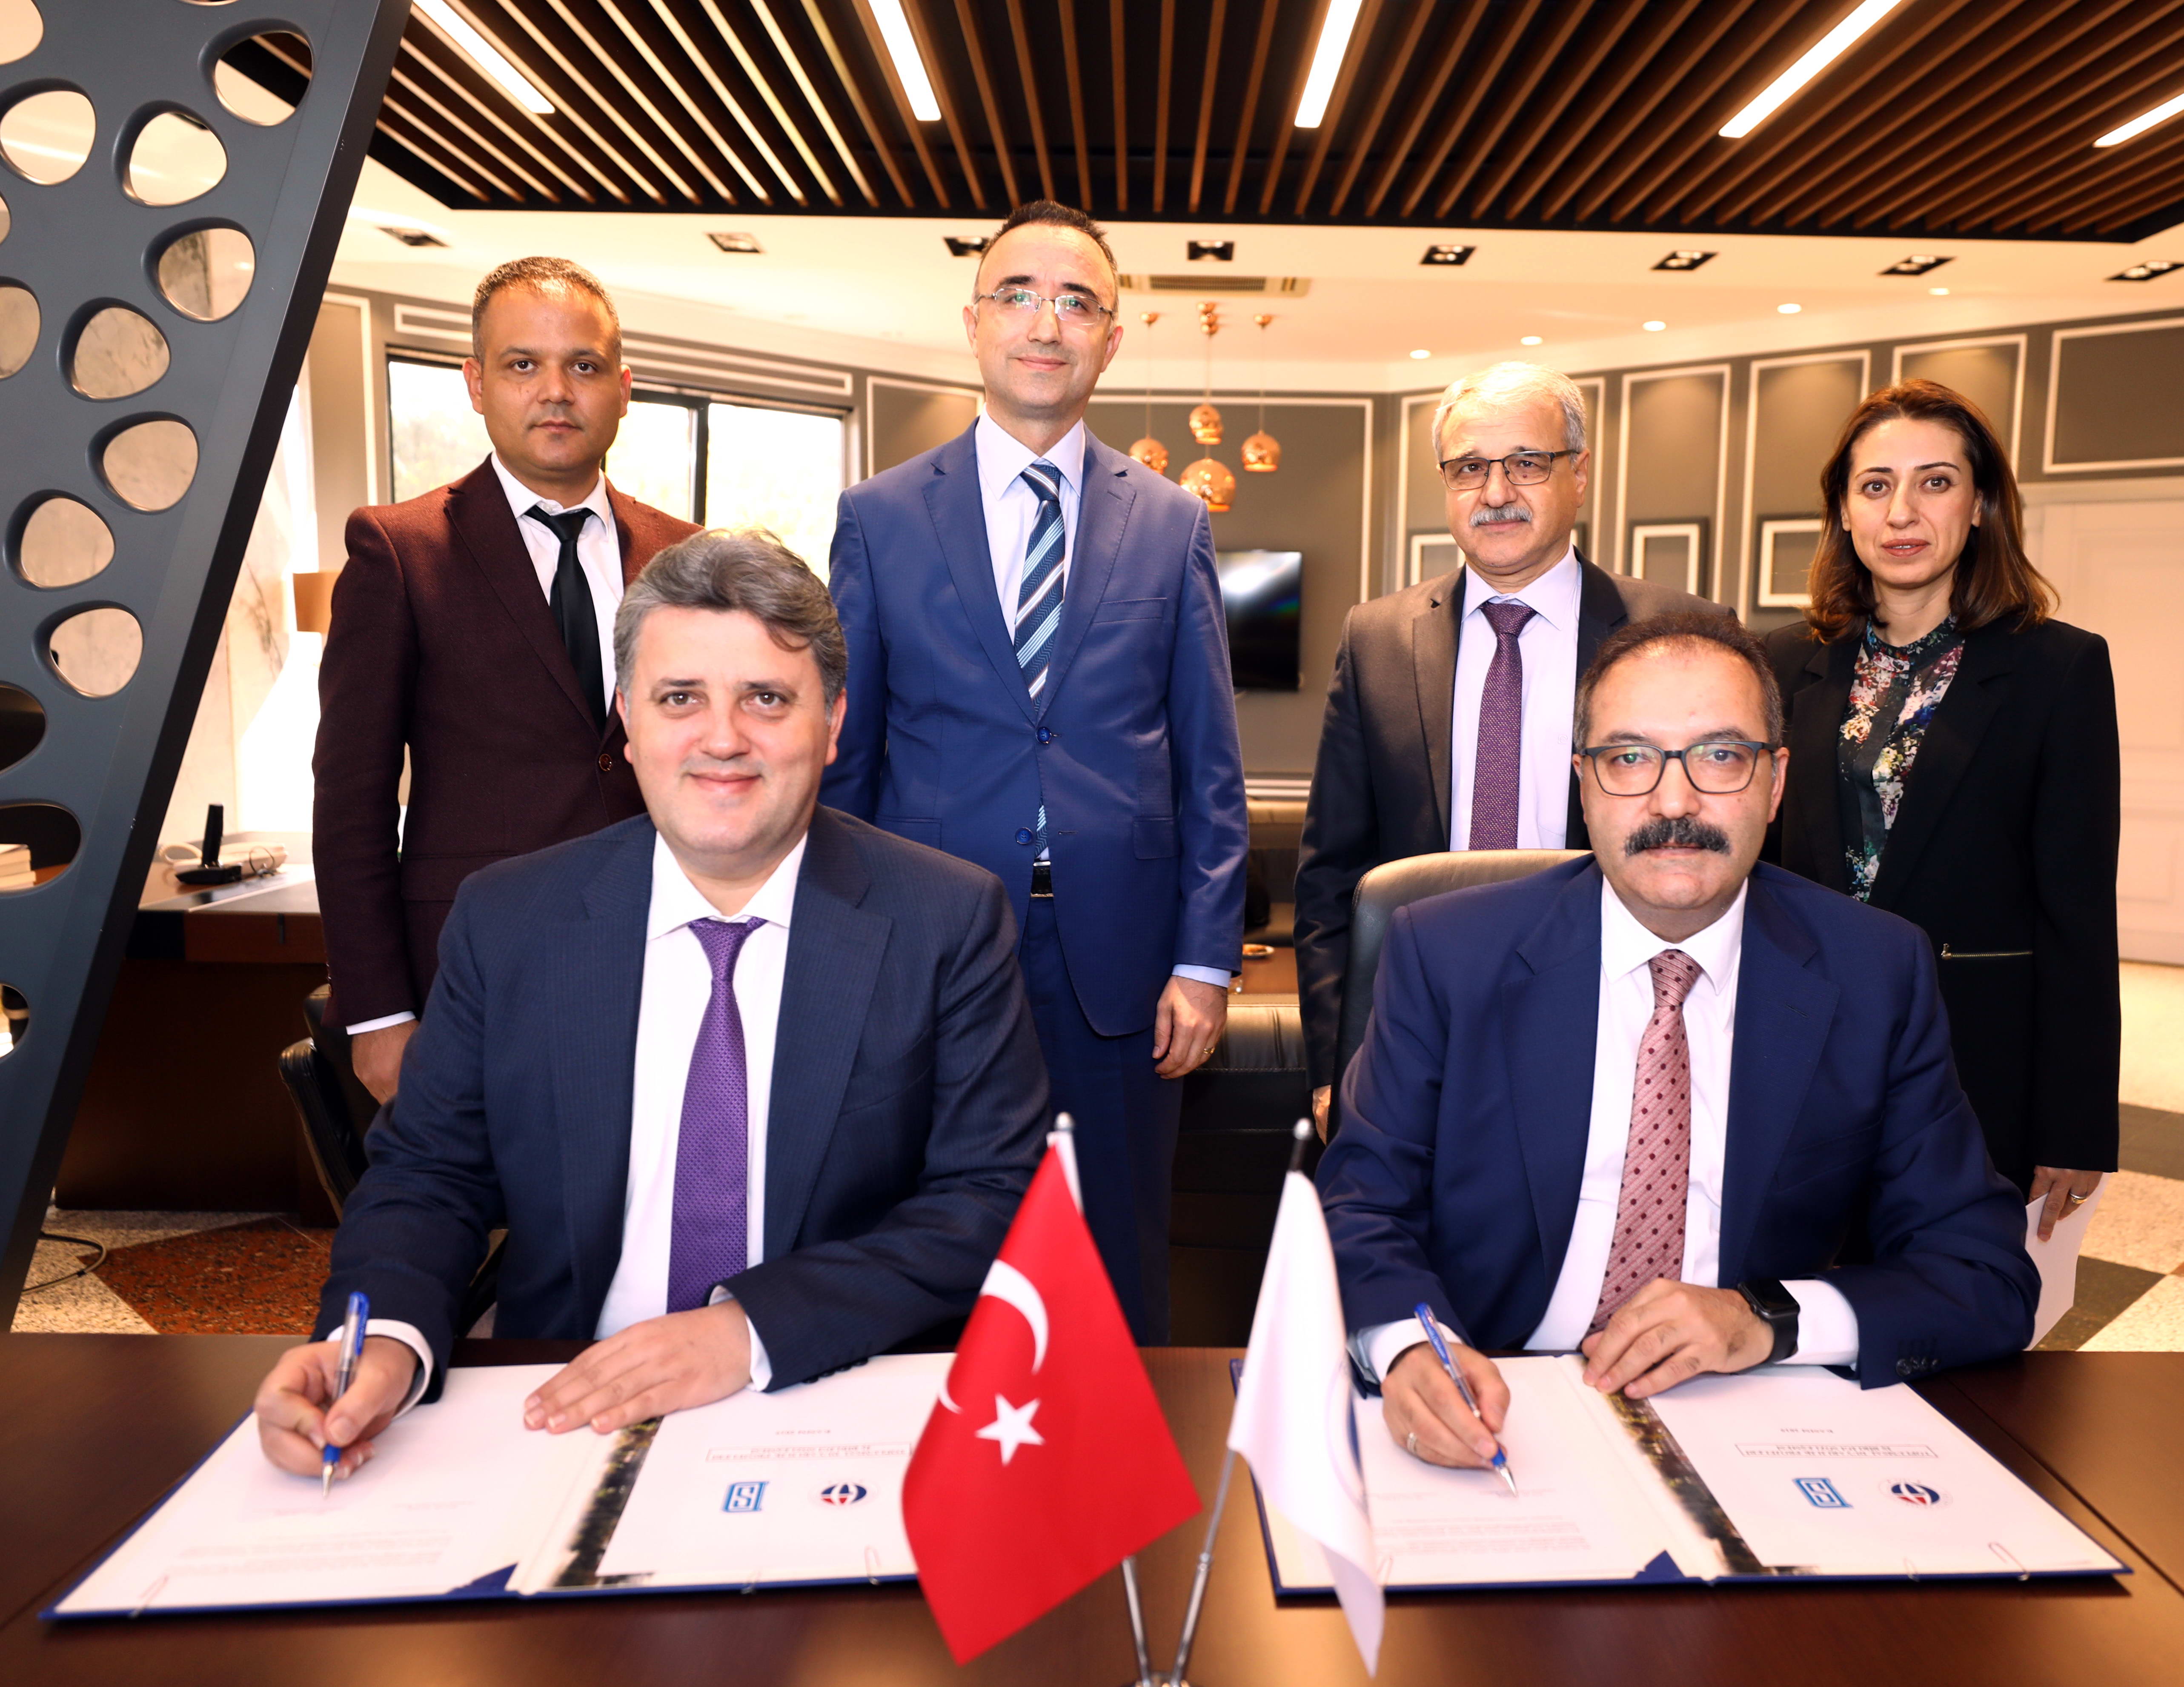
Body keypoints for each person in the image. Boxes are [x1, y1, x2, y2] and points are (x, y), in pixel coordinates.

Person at [255, 532, 1049, 1478]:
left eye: (766, 698)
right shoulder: (510, 919)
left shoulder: (945, 918)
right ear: (628, 723)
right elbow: (429, 1175)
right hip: (565, 1397)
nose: (723, 738)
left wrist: (746, 1330)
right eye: (681, 698)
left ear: (834, 722)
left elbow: (988, 1198)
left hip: (825, 1393)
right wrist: (381, 1344)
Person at [1317, 613, 2036, 1470]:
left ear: (1775, 781)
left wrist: (1765, 1319)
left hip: (1746, 1410)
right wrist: (1409, 1347)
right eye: (1629, 758)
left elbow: (1982, 1273)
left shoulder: (1874, 972)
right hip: (1498, 1395)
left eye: (1720, 755)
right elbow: (1361, 1204)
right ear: (1583, 785)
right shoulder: (1447, 954)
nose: (1673, 802)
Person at [822, 200, 1248, 1344]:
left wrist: (1205, 960)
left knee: (1113, 1262)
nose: (1045, 322)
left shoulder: (1170, 521)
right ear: (973, 323)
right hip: (927, 951)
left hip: (1121, 968)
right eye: (1016, 294)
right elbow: (845, 759)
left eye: (1076, 301)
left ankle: (1121, 1461)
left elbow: (1209, 763)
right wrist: (838, 950)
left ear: (1111, 338)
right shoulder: (878, 517)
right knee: (933, 1254)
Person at [1294, 362, 1722, 1132]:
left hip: (1623, 1019)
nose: (1495, 492)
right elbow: (1332, 878)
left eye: (1526, 463)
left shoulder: (1679, 634)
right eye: (1468, 468)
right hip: (1417, 1027)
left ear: (1579, 474)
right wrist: (1335, 1069)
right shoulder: (1377, 639)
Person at [314, 256, 699, 1102]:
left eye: (584, 366)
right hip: (474, 969)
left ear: (623, 389)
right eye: (523, 364)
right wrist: (377, 1014)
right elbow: (351, 799)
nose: (556, 391)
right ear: (477, 383)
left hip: (666, 954)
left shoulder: (686, 554)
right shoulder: (400, 551)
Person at [1763, 380, 2119, 1240]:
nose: (1902, 512)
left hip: (1970, 1055)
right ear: (1843, 510)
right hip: (1799, 1049)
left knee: (1954, 1297)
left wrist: (2075, 1125)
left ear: (1981, 503)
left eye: (1935, 481)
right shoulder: (1777, 660)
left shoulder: (2057, 669)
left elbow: (2075, 913)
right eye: (1875, 485)